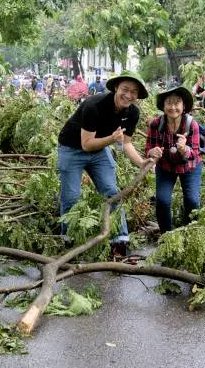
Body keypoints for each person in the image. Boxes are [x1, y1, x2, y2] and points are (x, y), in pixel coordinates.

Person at [56, 70, 153, 255]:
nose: (129, 95)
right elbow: (86, 145)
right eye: (125, 89)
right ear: (116, 87)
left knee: (111, 191)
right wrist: (111, 139)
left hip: (99, 151)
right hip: (72, 149)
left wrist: (141, 162)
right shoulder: (94, 105)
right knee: (71, 196)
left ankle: (120, 240)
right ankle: (68, 239)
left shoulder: (133, 112)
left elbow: (126, 143)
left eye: (134, 92)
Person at [145, 86, 203, 233]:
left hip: (190, 166)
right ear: (163, 106)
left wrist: (184, 149)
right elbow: (148, 149)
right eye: (169, 103)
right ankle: (167, 236)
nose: (173, 107)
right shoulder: (156, 124)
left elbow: (195, 153)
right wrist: (152, 151)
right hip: (165, 167)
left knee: (192, 201)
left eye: (177, 103)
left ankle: (189, 232)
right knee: (162, 201)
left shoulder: (191, 124)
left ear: (183, 106)